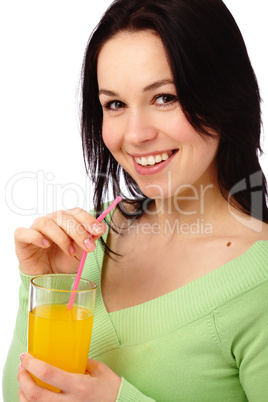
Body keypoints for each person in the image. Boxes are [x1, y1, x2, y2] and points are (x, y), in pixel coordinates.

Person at [3, 0, 268, 400]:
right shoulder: (82, 245)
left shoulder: (258, 285)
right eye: (115, 104)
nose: (136, 134)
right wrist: (45, 285)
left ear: (224, 95)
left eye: (164, 98)